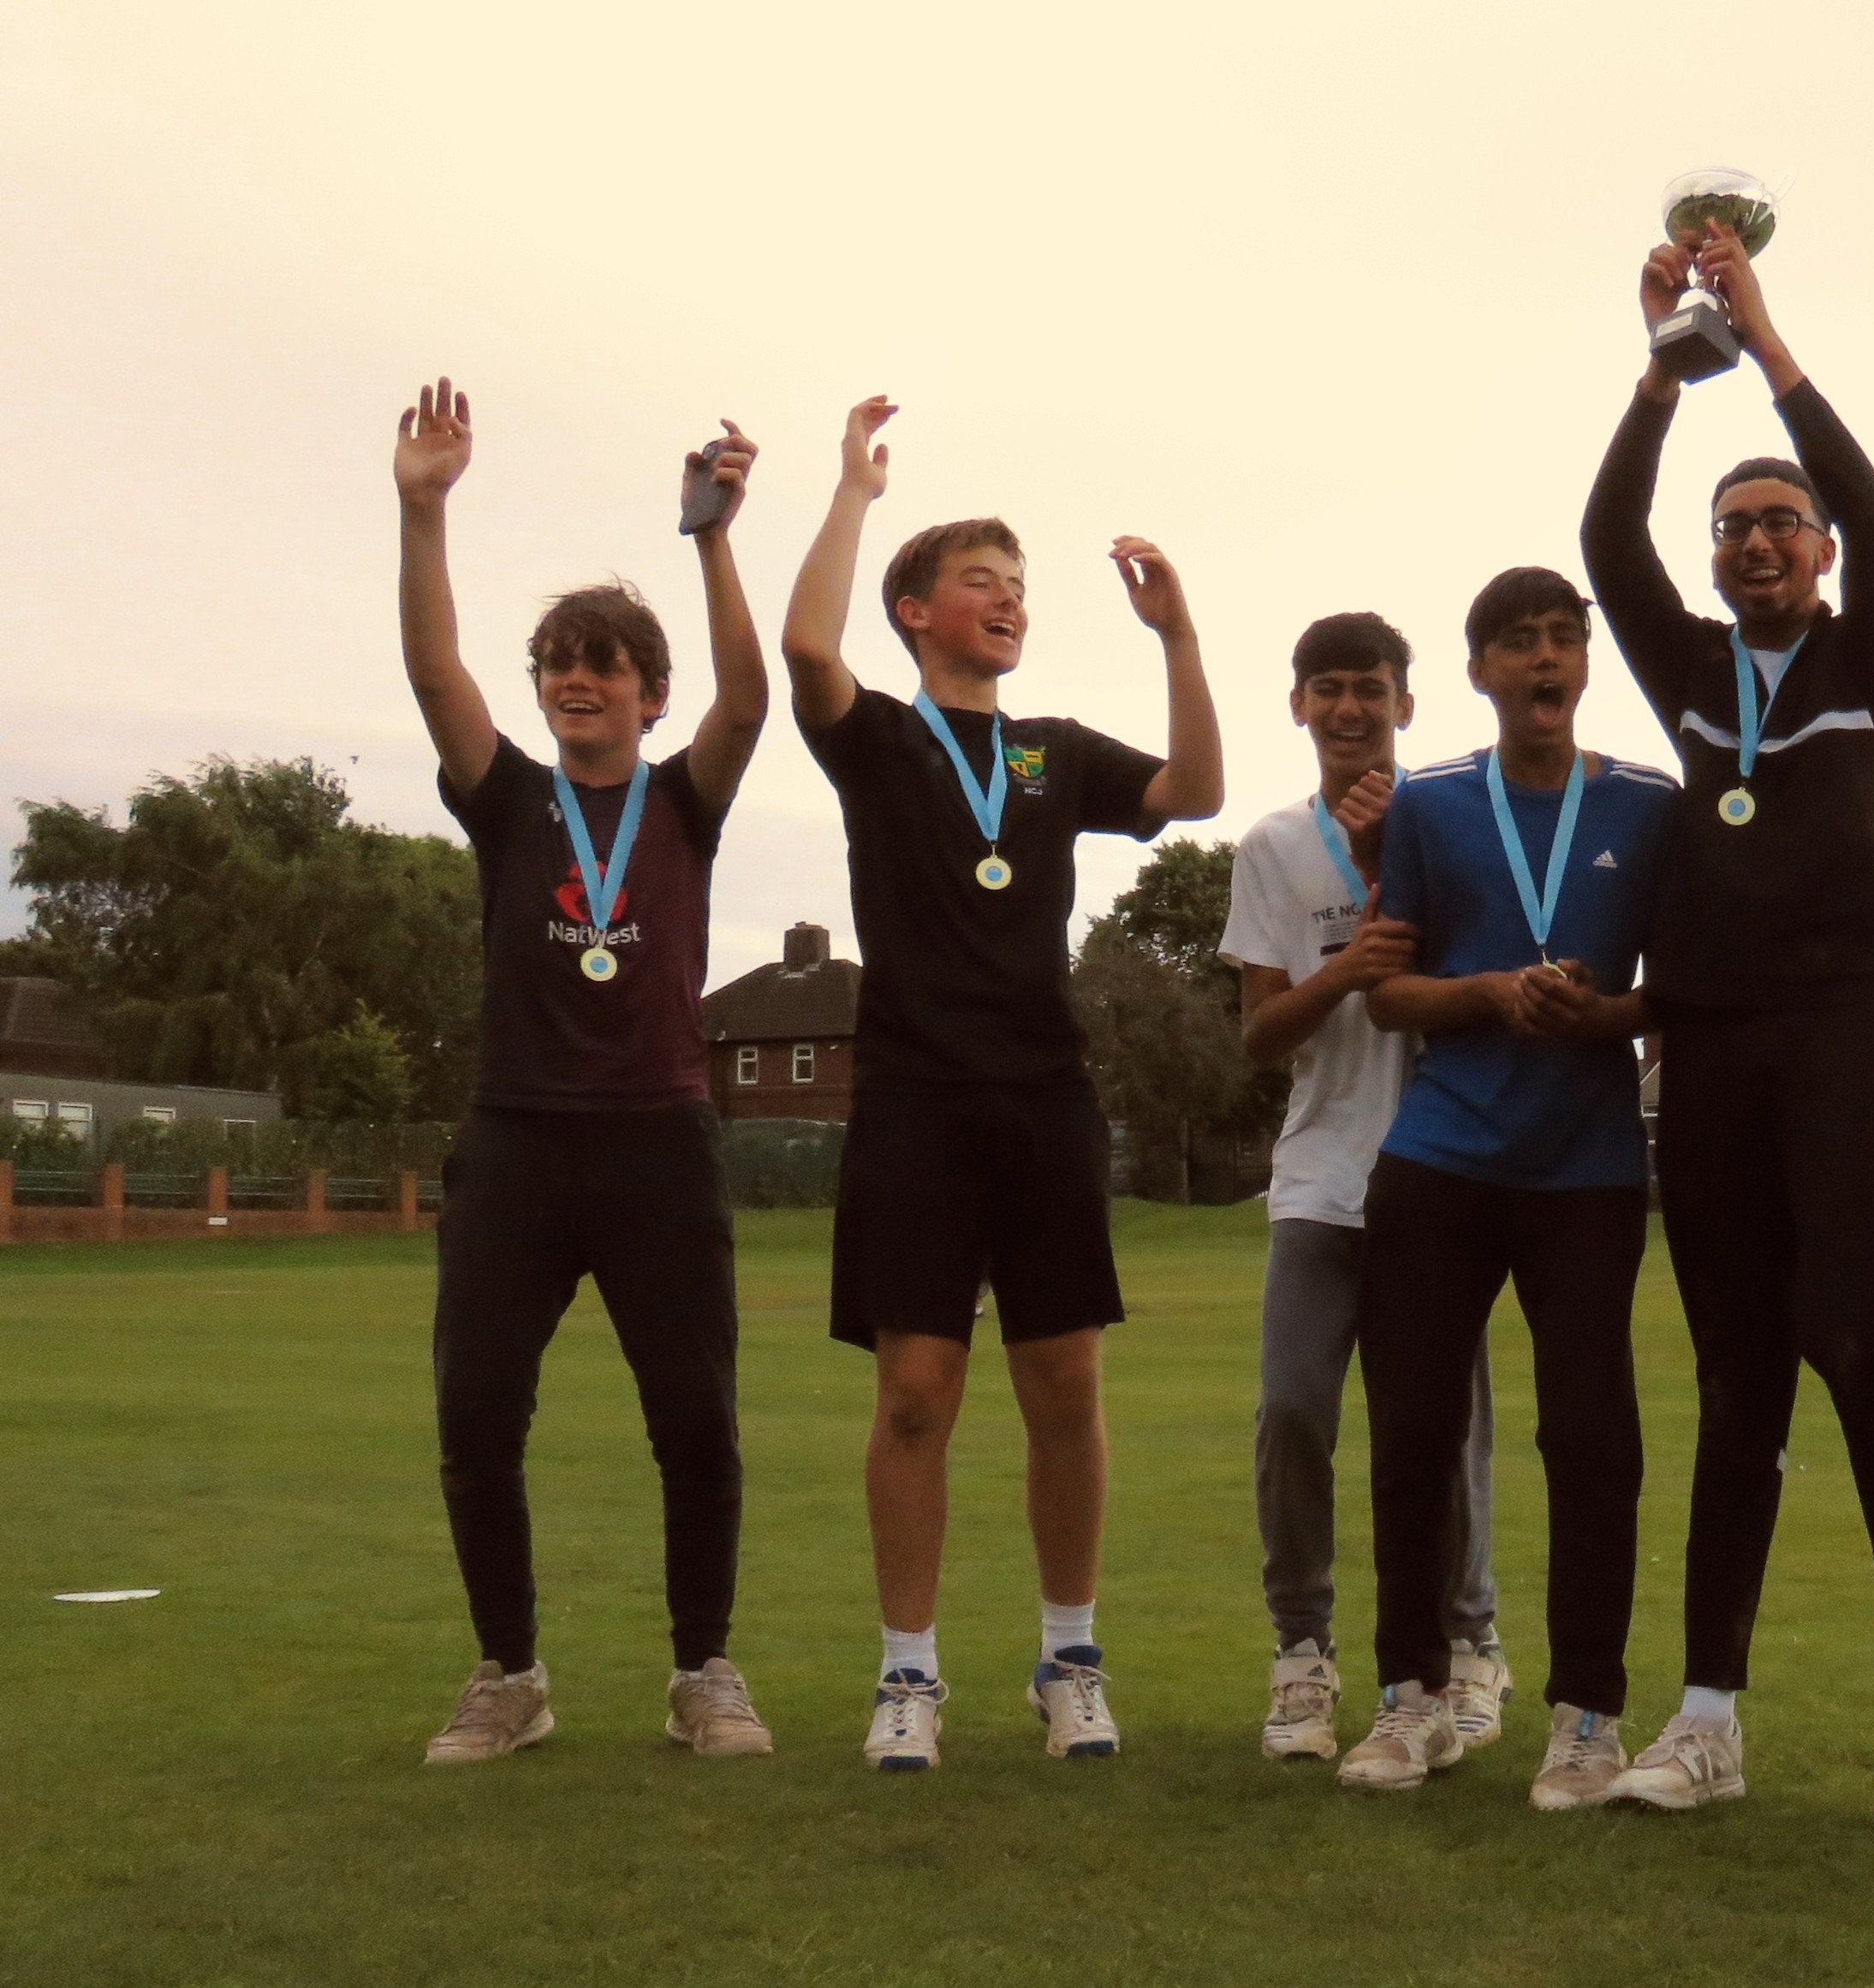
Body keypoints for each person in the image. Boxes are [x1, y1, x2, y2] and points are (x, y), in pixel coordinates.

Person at [1579, 210, 1874, 1833]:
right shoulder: (1681, 667)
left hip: (1852, 1048)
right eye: (1733, 524)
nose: (1753, 540)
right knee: (1735, 1387)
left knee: (1870, 1360)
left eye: (1777, 523)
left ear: (1813, 555)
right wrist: (1669, 363)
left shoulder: (1868, 647)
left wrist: (1770, 334)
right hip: (1713, 1055)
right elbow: (1605, 542)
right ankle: (1706, 1717)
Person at [778, 394, 1224, 1772]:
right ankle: (908, 1673)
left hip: (1041, 1094)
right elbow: (805, 644)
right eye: (982, 583)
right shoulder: (877, 739)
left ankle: (1069, 1656)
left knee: (1065, 1385)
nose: (1009, 603)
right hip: (913, 1097)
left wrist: (1179, 635)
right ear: (915, 610)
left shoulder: (1055, 750)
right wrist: (853, 493)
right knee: (916, 1387)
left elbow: (1198, 790)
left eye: (1020, 590)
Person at [391, 378, 776, 1763]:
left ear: (644, 692)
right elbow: (438, 677)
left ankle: (704, 1674)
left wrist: (711, 537)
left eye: (604, 660)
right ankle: (510, 1675)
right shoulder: (508, 798)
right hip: (516, 1141)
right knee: (478, 1411)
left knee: (697, 1422)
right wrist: (422, 510)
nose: (577, 673)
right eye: (559, 654)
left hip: (659, 1137)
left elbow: (751, 694)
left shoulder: (682, 799)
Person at [1333, 568, 1675, 1811]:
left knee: (1593, 1438)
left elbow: (1676, 993)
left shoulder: (1650, 805)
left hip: (1585, 1171)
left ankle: (1587, 1714)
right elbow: (1385, 989)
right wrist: (1488, 994)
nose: (1545, 658)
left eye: (1564, 639)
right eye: (1518, 642)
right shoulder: (1430, 805)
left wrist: (1602, 1013)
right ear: (1478, 672)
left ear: (1585, 664)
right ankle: (1411, 1699)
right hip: (1440, 1160)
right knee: (1413, 1433)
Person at [1220, 611, 1507, 1763]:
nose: (1351, 707)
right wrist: (1343, 968)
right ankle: (1302, 1654)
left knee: (1445, 1433)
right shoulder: (1273, 848)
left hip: (1445, 1171)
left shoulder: (1462, 826)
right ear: (1299, 704)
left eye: (1372, 687)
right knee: (1293, 1410)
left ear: (1406, 703)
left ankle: (1469, 1644)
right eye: (1329, 687)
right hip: (1320, 1177)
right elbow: (1256, 1036)